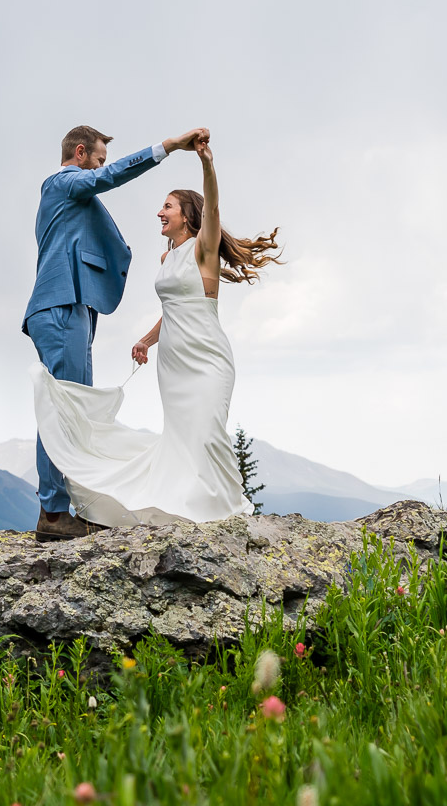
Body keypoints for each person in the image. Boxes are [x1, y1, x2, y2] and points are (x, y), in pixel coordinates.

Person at [30, 135, 282, 528]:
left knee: (208, 431)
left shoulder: (203, 248)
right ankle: (61, 510)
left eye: (167, 206)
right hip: (174, 359)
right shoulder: (167, 256)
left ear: (186, 215)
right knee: (182, 437)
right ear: (80, 153)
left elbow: (212, 206)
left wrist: (207, 165)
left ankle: (222, 510)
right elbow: (175, 307)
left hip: (206, 355)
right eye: (99, 158)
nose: (159, 212)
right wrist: (147, 340)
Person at [24, 124, 209, 541]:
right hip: (60, 304)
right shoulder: (63, 181)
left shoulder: (74, 194)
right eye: (98, 159)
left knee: (76, 408)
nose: (101, 169)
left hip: (76, 306)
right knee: (64, 406)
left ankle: (67, 506)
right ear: (79, 153)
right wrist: (169, 147)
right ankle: (52, 515)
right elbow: (106, 179)